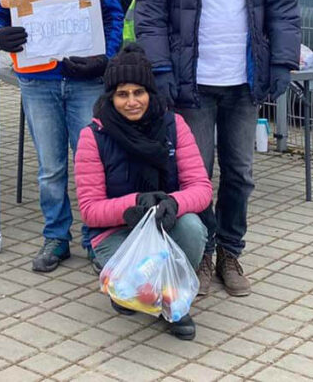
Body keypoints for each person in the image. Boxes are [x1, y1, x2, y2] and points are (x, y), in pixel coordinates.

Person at [134, 0, 301, 297]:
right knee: (198, 176)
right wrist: (161, 67)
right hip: (192, 81)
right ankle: (202, 255)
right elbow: (148, 11)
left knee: (241, 173)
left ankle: (232, 252)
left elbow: (283, 1)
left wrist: (283, 59)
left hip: (244, 78)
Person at [0, 0, 124, 272]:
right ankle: (56, 237)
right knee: (50, 167)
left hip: (85, 80)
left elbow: (112, 13)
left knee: (91, 163)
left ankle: (96, 238)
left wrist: (106, 57)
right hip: (38, 81)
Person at [74, 44, 211, 340]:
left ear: (151, 93)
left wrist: (172, 203)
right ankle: (126, 287)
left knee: (193, 227)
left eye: (139, 92)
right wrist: (133, 205)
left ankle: (173, 300)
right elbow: (89, 209)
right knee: (131, 291)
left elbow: (201, 188)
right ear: (110, 97)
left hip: (166, 222)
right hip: (118, 231)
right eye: (122, 94)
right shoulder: (92, 137)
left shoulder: (174, 126)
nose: (132, 102)